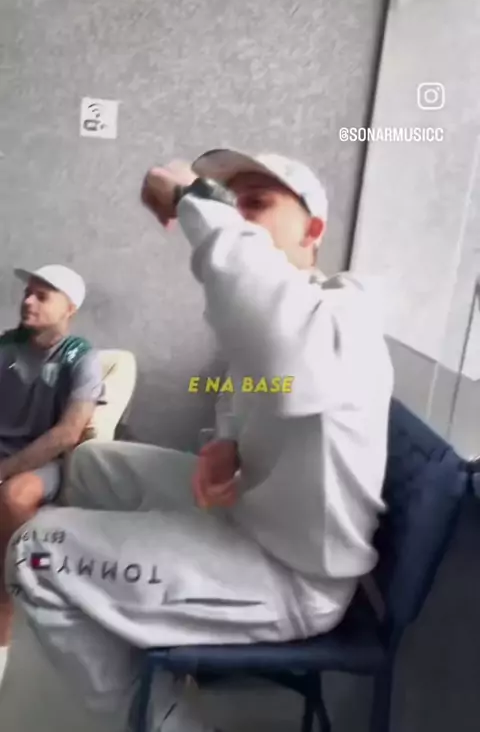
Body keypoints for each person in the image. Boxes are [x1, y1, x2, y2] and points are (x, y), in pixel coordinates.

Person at [5, 151, 394, 732]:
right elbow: (260, 379)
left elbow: (284, 346)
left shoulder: (346, 311)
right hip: (250, 520)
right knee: (89, 463)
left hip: (292, 577)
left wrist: (197, 199)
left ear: (313, 231)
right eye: (231, 204)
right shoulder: (296, 317)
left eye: (255, 204)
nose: (237, 216)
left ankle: (165, 720)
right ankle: (111, 625)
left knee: (35, 552)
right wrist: (228, 442)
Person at [0, 264, 103, 645]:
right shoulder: (5, 347)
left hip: (45, 461)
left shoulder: (81, 357)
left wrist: (5, 469)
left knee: (14, 496)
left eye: (42, 296)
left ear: (69, 308)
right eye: (28, 293)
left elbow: (67, 433)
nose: (28, 301)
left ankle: (8, 602)